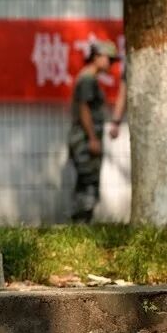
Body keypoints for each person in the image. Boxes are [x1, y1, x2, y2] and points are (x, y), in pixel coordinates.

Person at [68, 40, 120, 223]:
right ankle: (81, 226)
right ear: (96, 57)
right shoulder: (87, 79)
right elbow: (84, 109)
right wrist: (92, 138)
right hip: (84, 140)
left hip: (86, 138)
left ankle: (80, 227)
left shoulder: (89, 78)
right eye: (109, 59)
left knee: (86, 184)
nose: (111, 63)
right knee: (89, 185)